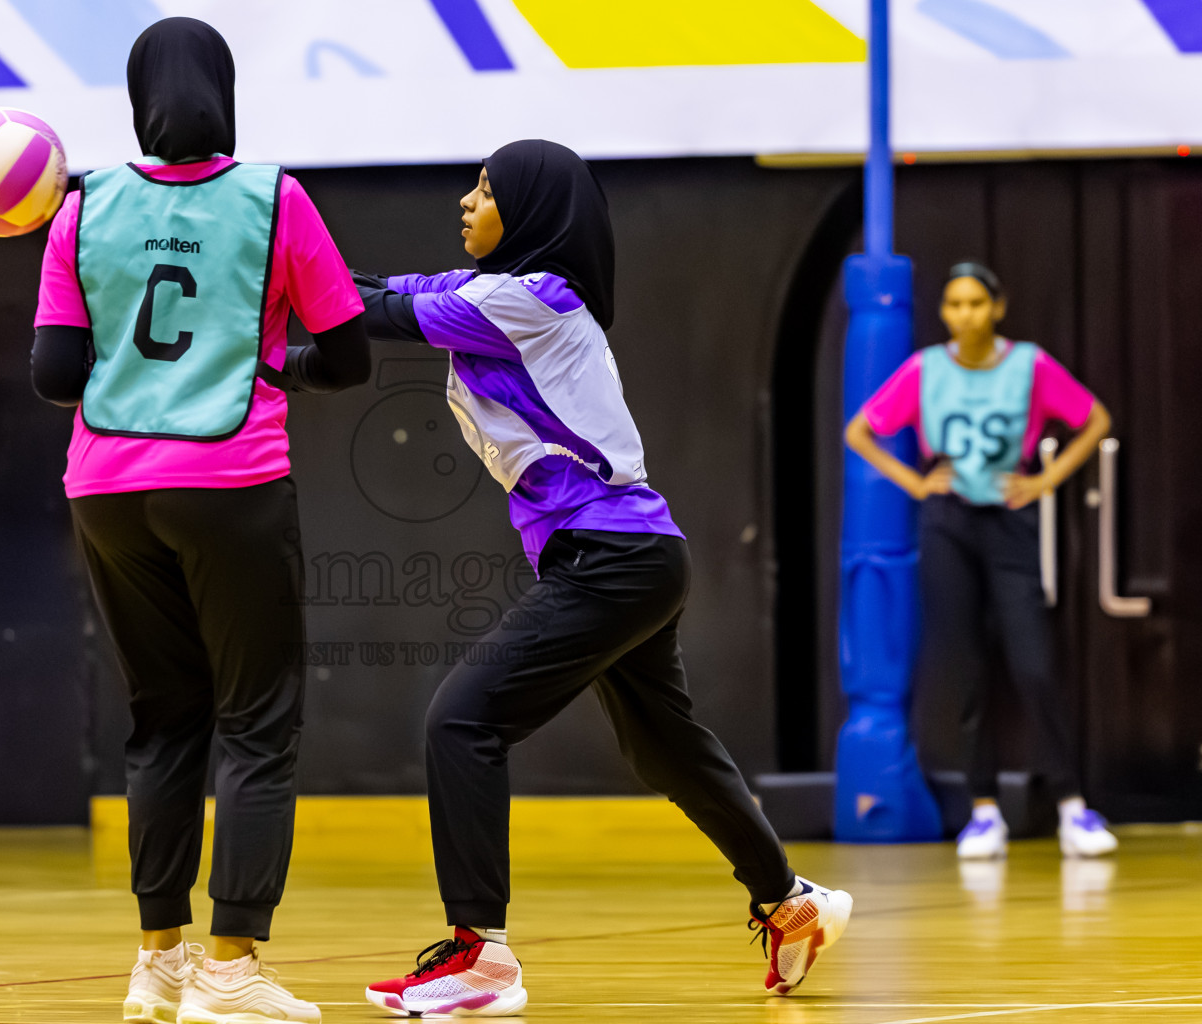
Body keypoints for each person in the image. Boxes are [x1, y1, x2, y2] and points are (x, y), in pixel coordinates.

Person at [352, 140, 851, 1014]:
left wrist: (263, 260)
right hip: (633, 556)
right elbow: (384, 290)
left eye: (485, 189)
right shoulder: (497, 294)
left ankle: (482, 957)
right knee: (666, 748)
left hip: (611, 557)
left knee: (461, 723)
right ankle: (791, 903)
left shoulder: (528, 300)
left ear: (533, 211)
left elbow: (368, 314)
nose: (465, 203)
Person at [29, 18, 369, 1024]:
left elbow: (54, 376)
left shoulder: (81, 205)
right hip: (229, 479)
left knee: (161, 717)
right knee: (257, 721)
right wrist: (278, 364)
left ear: (138, 98)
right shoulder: (275, 198)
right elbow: (346, 355)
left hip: (106, 488)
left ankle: (158, 963)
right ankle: (233, 969)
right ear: (225, 90)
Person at [845, 262, 1118, 861]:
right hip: (948, 523)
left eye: (974, 303)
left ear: (997, 307)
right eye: (953, 304)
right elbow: (860, 431)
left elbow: (1095, 419)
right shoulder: (925, 369)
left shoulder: (1029, 365)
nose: (963, 314)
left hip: (1010, 517)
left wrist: (1045, 479)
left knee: (1033, 663)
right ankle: (984, 810)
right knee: (964, 668)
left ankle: (1074, 807)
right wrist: (915, 484)